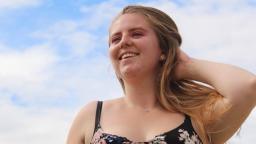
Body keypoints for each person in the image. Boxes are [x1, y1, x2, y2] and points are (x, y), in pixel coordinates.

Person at [66, 5, 256, 144]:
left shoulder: (197, 118)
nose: (123, 42)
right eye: (115, 39)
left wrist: (188, 66)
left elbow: (248, 86)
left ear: (163, 49)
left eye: (136, 34)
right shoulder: (91, 115)